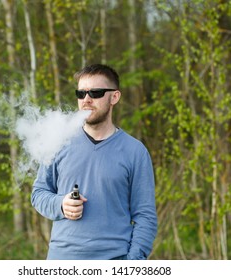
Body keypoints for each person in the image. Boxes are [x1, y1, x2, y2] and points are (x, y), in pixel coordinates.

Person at [31, 64, 157, 260]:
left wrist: (133, 263)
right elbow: (38, 194)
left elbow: (145, 217)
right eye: (81, 94)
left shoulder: (135, 151)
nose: (86, 100)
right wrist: (61, 204)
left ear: (114, 97)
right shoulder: (58, 142)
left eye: (95, 93)